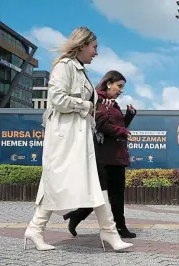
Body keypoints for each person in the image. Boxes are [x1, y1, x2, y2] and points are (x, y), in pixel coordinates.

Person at [23, 27, 133, 251]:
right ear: (82, 45)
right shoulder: (64, 66)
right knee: (58, 182)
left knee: (91, 183)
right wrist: (87, 105)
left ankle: (108, 232)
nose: (96, 53)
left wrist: (97, 107)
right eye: (94, 47)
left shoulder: (80, 70)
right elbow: (57, 99)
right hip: (66, 137)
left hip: (78, 136)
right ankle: (37, 229)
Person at [62, 70, 137, 238]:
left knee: (105, 194)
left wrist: (129, 116)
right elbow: (102, 125)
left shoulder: (110, 102)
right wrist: (124, 133)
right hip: (107, 155)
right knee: (111, 194)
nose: (121, 90)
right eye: (119, 86)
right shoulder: (101, 101)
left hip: (113, 154)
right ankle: (119, 227)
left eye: (122, 87)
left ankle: (77, 216)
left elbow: (116, 126)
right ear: (109, 82)